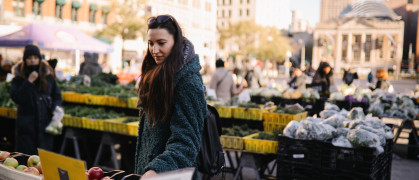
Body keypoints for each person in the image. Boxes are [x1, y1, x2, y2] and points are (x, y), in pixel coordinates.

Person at [135, 15, 206, 179]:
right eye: (151, 43)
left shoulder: (188, 83)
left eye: (161, 43)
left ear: (176, 43)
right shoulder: (157, 75)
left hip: (170, 175)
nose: (154, 50)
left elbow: (186, 143)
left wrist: (156, 170)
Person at [10, 45, 62, 155]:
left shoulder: (48, 76)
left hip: (45, 125)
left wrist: (54, 109)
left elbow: (57, 96)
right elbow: (17, 98)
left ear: (39, 59)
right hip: (27, 127)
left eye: (35, 57)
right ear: (25, 60)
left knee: (44, 160)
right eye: (29, 58)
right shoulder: (18, 78)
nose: (33, 60)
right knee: (27, 160)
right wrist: (28, 82)